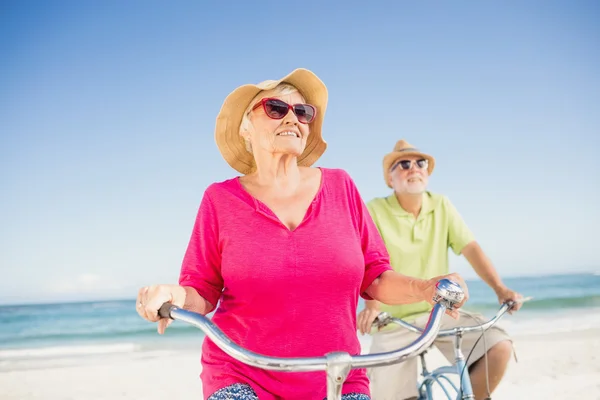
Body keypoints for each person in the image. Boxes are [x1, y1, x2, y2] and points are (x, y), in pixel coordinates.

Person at [135, 70, 469, 400]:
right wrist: (175, 295)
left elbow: (376, 277)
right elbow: (202, 292)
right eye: (275, 108)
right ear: (246, 128)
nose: (292, 118)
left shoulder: (341, 186)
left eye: (302, 112)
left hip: (338, 375)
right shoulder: (220, 200)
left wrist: (426, 288)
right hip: (242, 373)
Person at [357, 139, 523, 400]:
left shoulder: (442, 205)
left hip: (440, 312)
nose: (413, 168)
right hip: (392, 321)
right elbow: (367, 261)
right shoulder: (374, 210)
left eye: (420, 163)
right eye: (403, 164)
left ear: (427, 172)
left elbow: (471, 249)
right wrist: (372, 308)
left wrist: (499, 288)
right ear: (390, 179)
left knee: (498, 347)